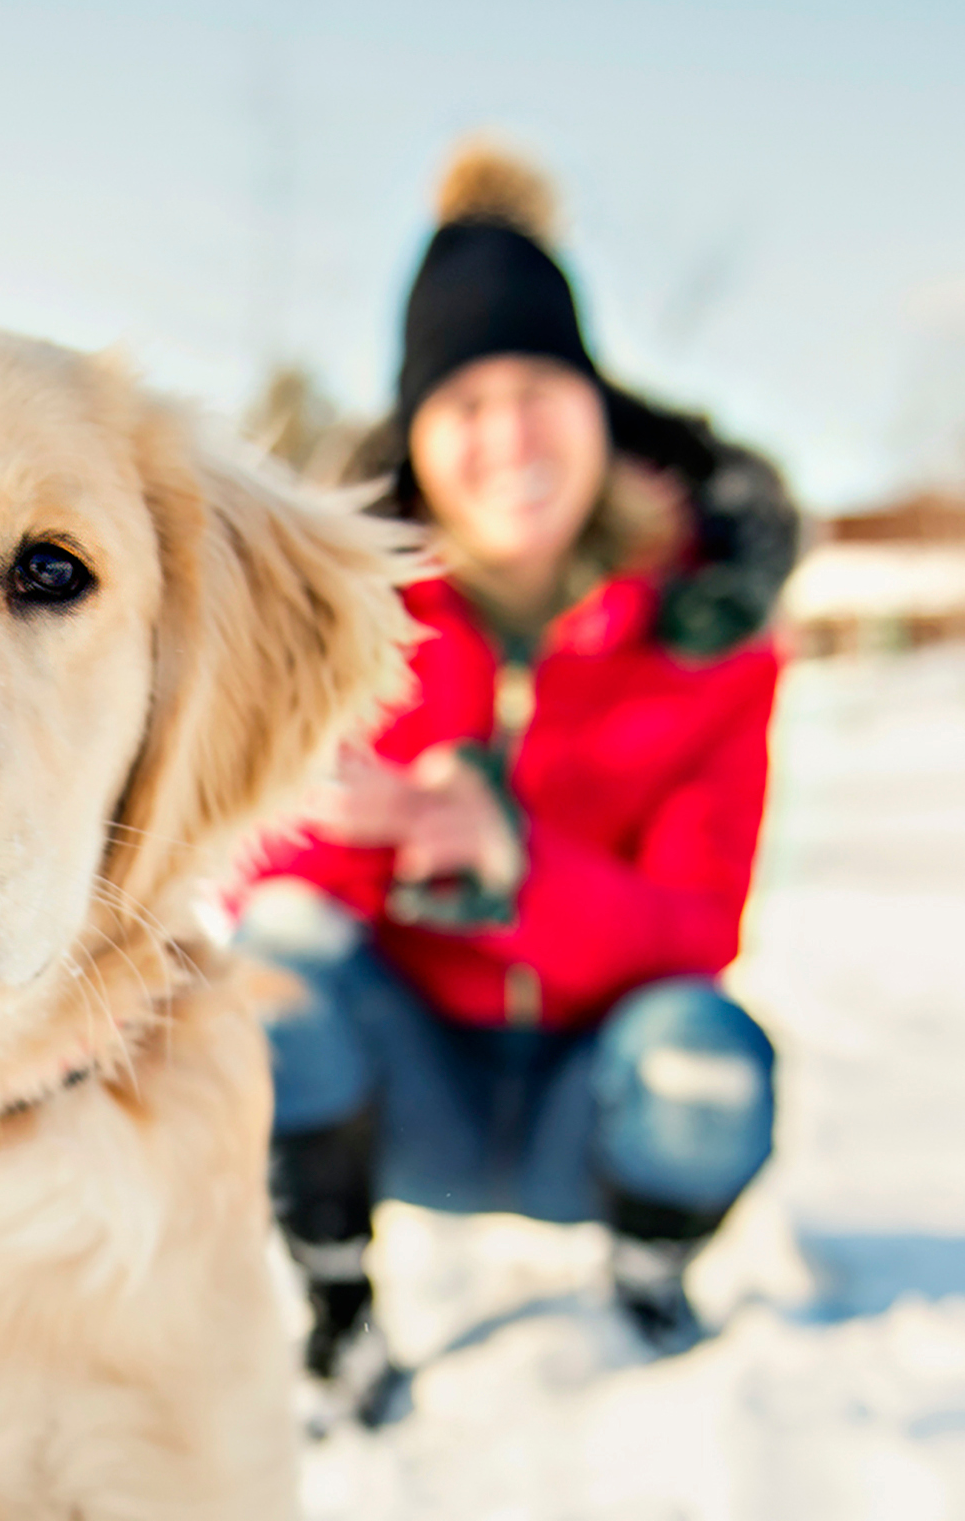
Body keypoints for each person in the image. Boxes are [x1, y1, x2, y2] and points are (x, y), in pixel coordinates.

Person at [242, 138, 799, 1432]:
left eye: (538, 388)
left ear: (598, 404)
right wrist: (351, 828)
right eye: (463, 403)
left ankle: (647, 1269)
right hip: (403, 1091)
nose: (506, 437)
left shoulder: (705, 630)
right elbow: (263, 894)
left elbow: (698, 925)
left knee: (708, 1054)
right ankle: (335, 1316)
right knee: (263, 967)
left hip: (590, 1105)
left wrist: (515, 858)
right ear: (415, 438)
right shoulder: (345, 623)